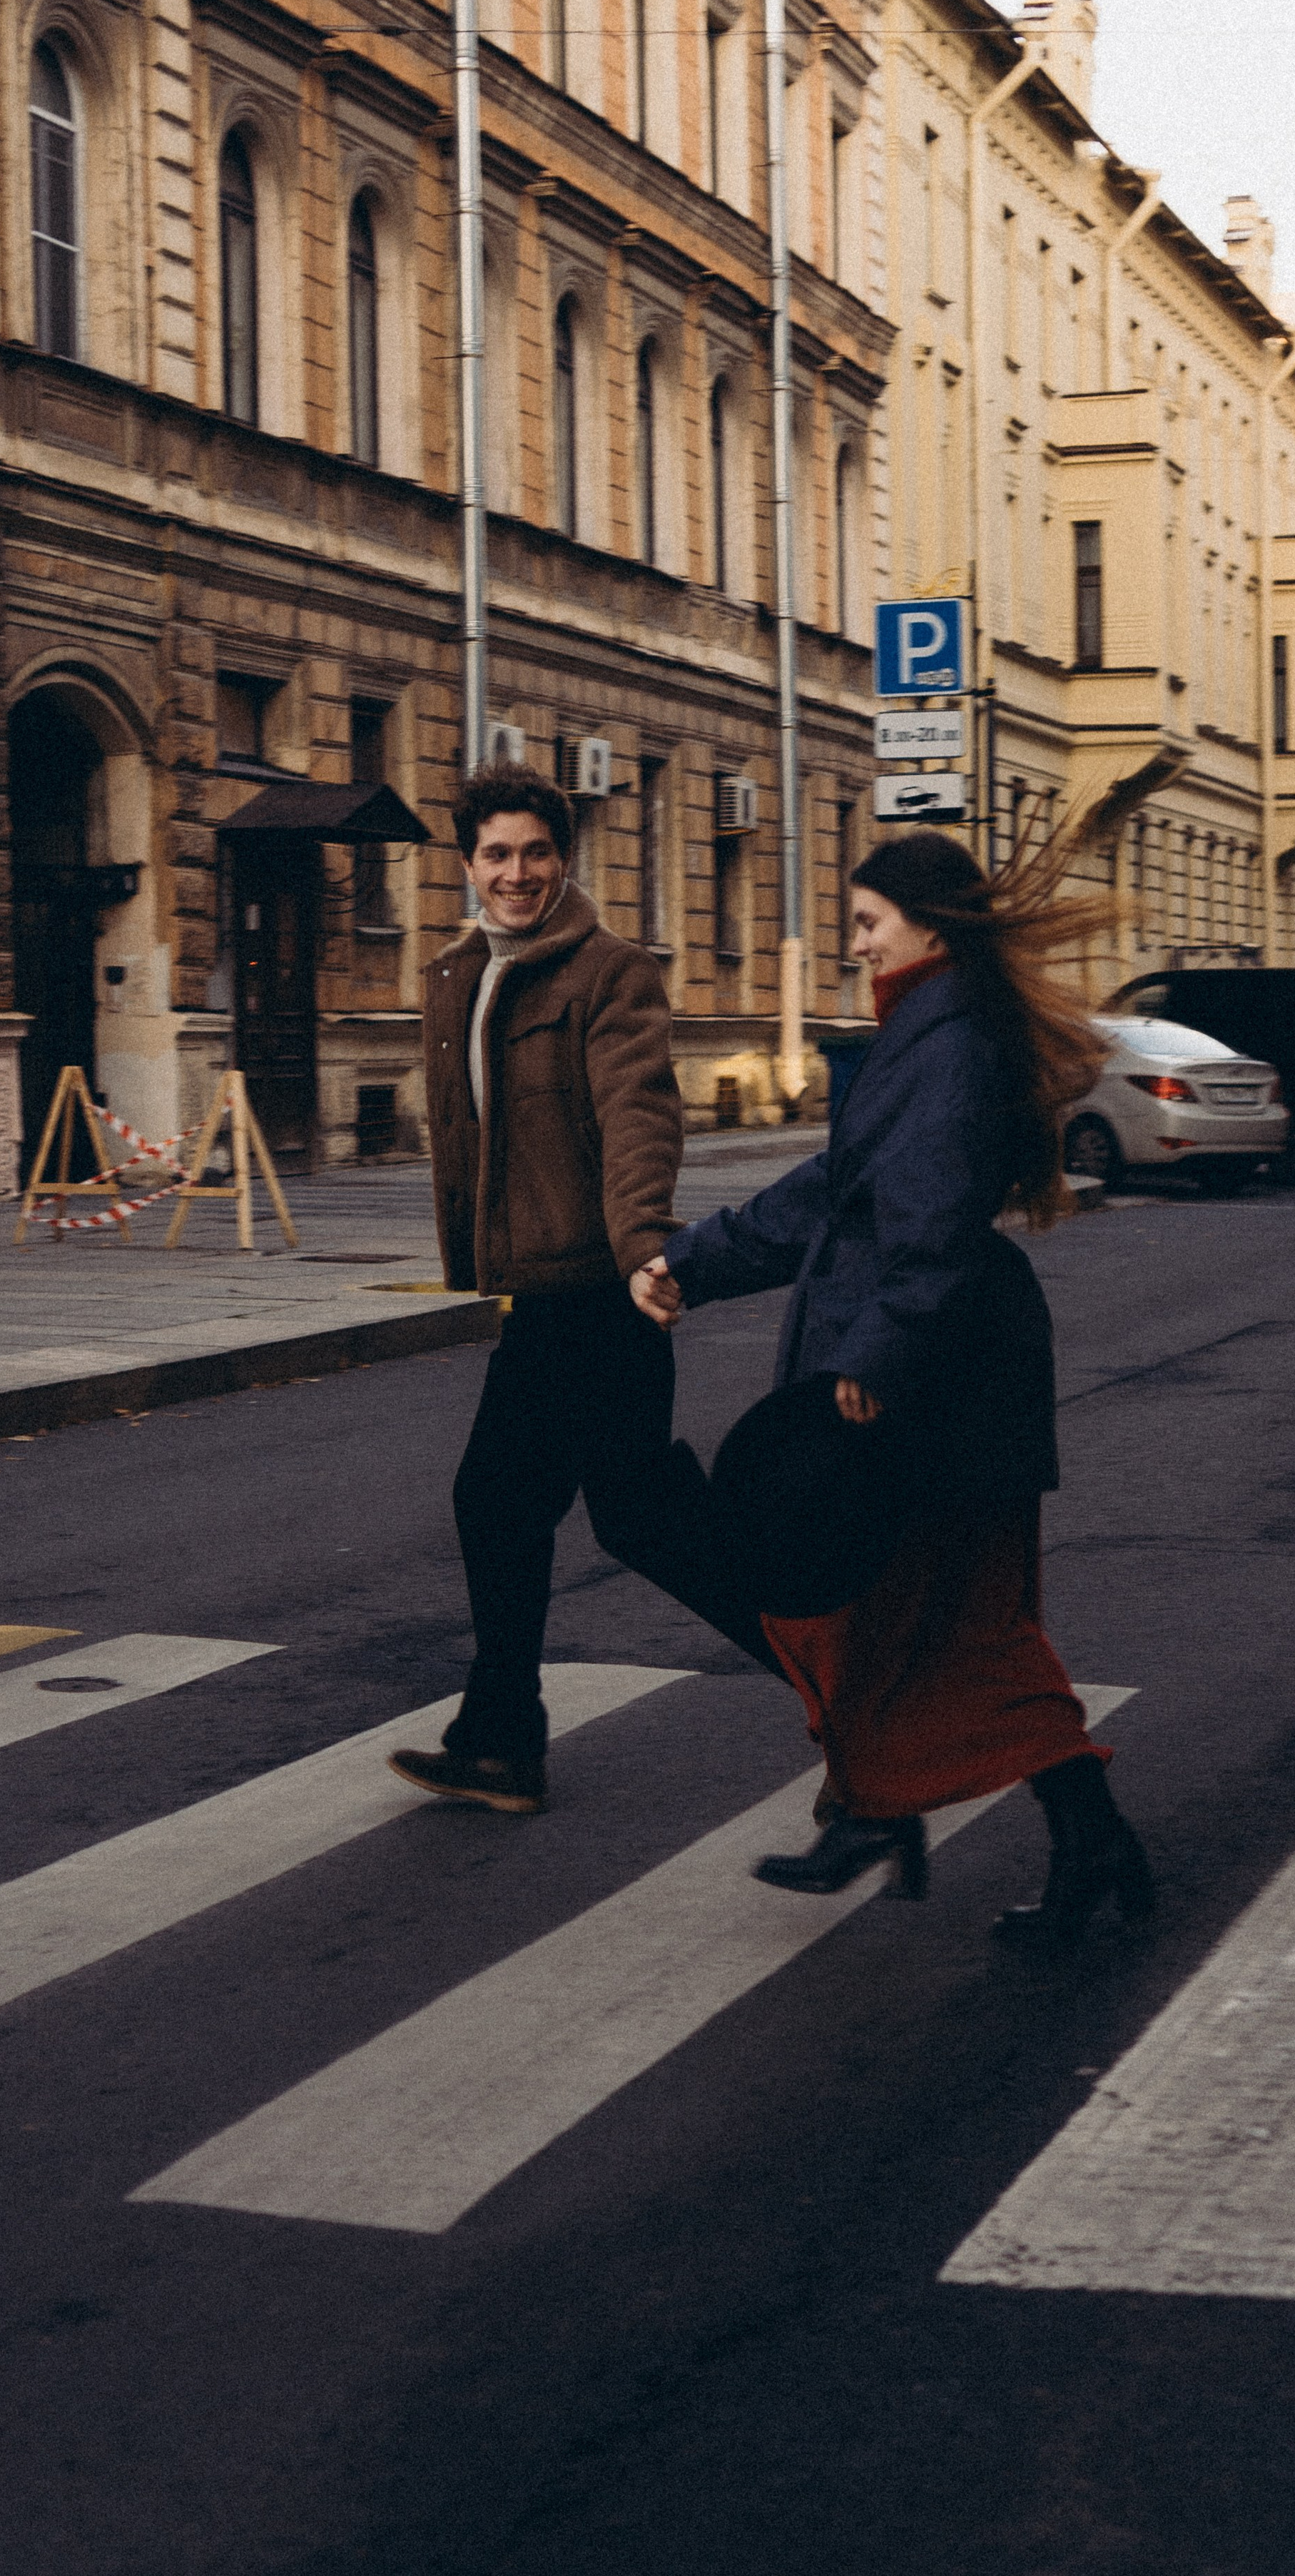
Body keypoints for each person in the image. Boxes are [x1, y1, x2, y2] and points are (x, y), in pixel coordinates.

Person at [631, 828, 1154, 1943]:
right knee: (904, 1621)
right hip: (943, 1372)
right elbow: (834, 1193)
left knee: (938, 1624)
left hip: (938, 1386)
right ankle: (935, 1820)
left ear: (927, 925)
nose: (856, 946)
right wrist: (696, 1260)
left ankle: (978, 1826)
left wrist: (877, 1356)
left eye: (868, 924)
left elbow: (936, 1221)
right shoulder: (926, 1034)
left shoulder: (947, 1045)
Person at [390, 769, 772, 1819]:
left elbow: (638, 1113)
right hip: (542, 1295)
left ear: (565, 860)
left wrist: (646, 1244)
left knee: (629, 1520)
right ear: (468, 864)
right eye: (497, 855)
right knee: (546, 1508)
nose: (518, 874)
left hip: (600, 1289)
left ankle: (860, 1688)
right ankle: (500, 1738)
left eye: (536, 853)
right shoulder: (460, 974)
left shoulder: (609, 974)